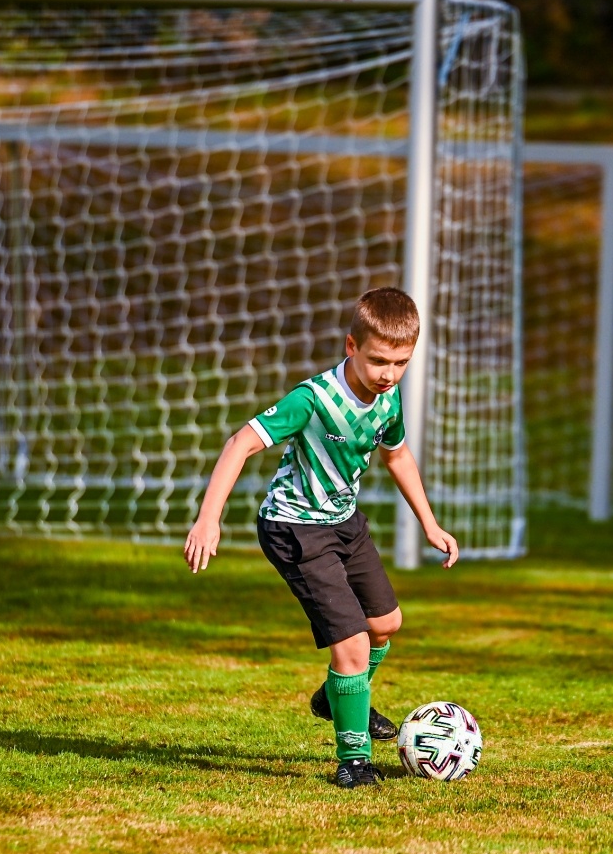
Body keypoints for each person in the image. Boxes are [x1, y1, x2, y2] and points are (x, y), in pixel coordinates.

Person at [183, 287, 459, 788]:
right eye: (378, 360)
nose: (388, 374)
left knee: (386, 624)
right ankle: (353, 761)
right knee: (351, 643)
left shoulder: (388, 398)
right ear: (351, 346)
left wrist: (430, 524)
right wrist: (209, 519)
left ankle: (337, 698)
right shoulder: (312, 400)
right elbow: (240, 443)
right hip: (295, 528)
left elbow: (397, 456)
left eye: (400, 363)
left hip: (344, 521)